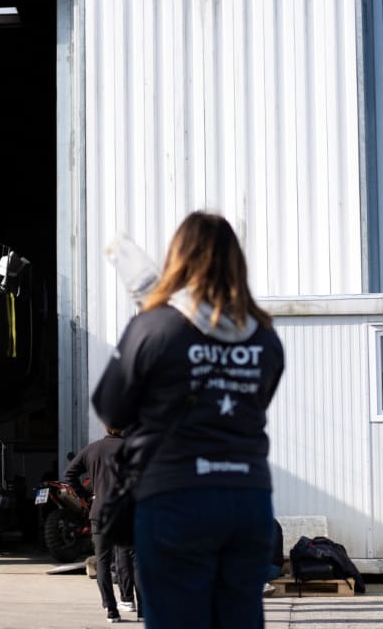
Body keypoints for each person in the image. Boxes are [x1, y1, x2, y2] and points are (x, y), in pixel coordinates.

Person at [92, 211, 285, 629]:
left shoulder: (155, 326)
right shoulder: (264, 336)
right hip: (248, 500)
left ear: (178, 259)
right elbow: (257, 402)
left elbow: (110, 408)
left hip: (176, 497)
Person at [64, 426, 140, 623]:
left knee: (103, 562)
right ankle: (142, 608)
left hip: (100, 512)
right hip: (128, 512)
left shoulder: (93, 449)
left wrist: (87, 497)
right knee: (134, 559)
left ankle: (112, 610)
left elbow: (69, 474)